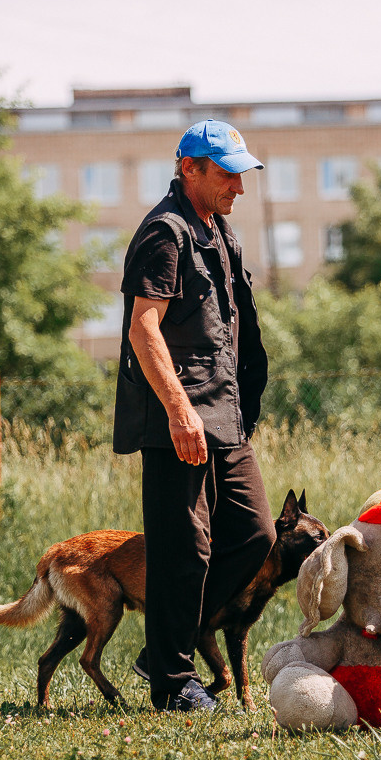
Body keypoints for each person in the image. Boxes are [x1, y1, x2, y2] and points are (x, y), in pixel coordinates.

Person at [113, 119, 276, 713]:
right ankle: (173, 681)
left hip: (225, 414)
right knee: (186, 548)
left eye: (242, 173)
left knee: (256, 533)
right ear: (191, 169)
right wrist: (179, 411)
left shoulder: (219, 232)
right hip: (178, 419)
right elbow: (142, 326)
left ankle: (164, 650)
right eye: (228, 173)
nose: (239, 185)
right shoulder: (165, 233)